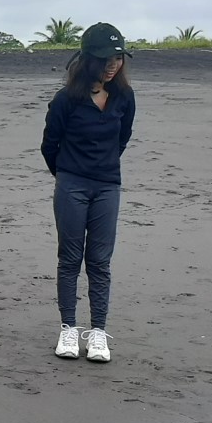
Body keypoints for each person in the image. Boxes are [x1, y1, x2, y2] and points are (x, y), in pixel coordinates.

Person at [41, 22, 135, 363]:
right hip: (71, 185)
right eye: (105, 58)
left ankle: (98, 333)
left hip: (107, 186)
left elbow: (122, 139)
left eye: (118, 58)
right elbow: (49, 145)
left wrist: (100, 170)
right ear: (87, 60)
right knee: (70, 259)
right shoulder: (66, 100)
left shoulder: (124, 97)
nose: (112, 65)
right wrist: (68, 175)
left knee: (99, 261)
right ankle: (68, 328)